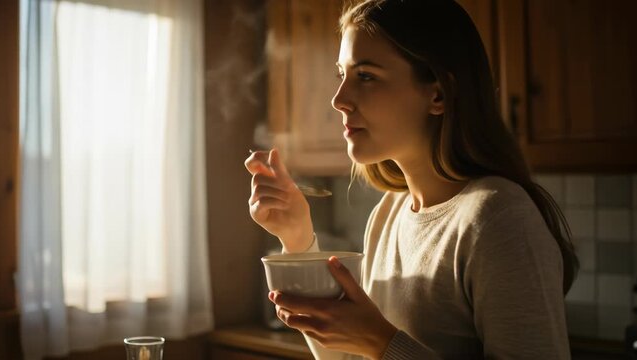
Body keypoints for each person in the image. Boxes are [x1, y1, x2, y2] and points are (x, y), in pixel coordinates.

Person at [244, 0, 578, 358]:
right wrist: (297, 237)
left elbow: (376, 346)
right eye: (342, 75)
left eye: (367, 76)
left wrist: (382, 341)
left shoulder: (500, 218)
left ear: (438, 94)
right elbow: (351, 355)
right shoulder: (389, 213)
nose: (339, 99)